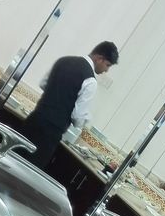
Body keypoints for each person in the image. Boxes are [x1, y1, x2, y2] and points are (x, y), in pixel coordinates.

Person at [21, 41, 119, 170]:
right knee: (28, 170)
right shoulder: (90, 81)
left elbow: (43, 84)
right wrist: (85, 118)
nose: (106, 70)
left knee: (13, 157)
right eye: (107, 65)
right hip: (50, 134)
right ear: (99, 58)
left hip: (34, 119)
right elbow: (77, 118)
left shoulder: (62, 61)